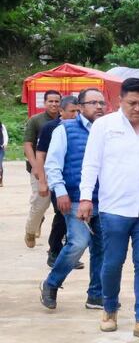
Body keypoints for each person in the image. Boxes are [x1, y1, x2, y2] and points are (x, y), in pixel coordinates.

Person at [78, 78, 139, 340]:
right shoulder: (104, 126)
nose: (137, 108)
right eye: (132, 103)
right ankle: (109, 309)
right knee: (112, 263)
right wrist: (86, 197)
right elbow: (91, 165)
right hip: (114, 210)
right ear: (119, 102)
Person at [39, 88, 106, 311]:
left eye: (102, 103)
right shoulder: (65, 130)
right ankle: (51, 283)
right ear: (80, 106)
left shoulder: (108, 130)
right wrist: (60, 192)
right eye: (93, 103)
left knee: (102, 248)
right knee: (78, 242)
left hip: (105, 199)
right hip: (75, 198)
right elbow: (53, 164)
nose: (99, 107)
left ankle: (96, 295)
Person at [35, 96, 80, 267]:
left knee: (75, 219)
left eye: (78, 111)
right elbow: (41, 155)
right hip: (57, 180)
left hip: (76, 180)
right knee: (62, 215)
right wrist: (42, 181)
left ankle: (68, 254)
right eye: (72, 111)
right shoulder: (51, 128)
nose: (76, 115)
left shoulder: (82, 127)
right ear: (61, 111)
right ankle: (54, 251)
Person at [24, 89, 62, 248]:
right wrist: (36, 168)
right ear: (44, 103)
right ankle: (30, 231)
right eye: (50, 101)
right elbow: (28, 145)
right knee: (41, 202)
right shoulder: (36, 120)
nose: (54, 104)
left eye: (56, 101)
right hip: (39, 168)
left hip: (59, 168)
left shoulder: (65, 118)